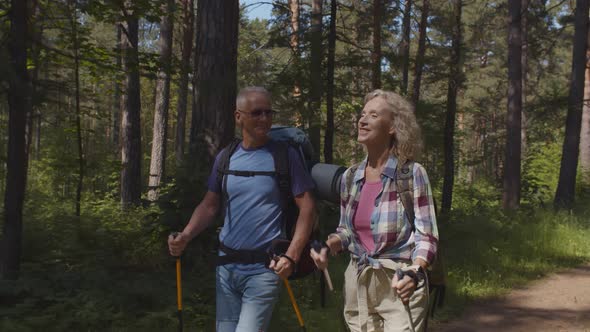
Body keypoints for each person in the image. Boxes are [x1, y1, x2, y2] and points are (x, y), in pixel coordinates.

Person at [168, 86, 316, 332]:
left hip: (264, 269)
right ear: (239, 117)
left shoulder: (285, 155)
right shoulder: (226, 156)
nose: (265, 119)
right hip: (226, 269)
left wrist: (291, 255)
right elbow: (209, 204)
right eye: (257, 113)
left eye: (269, 112)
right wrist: (185, 235)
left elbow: (308, 208)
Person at [311, 89, 438, 332]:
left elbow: (427, 236)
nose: (363, 120)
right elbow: (346, 232)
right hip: (358, 280)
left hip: (400, 284)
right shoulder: (350, 177)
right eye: (362, 114)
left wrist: (415, 272)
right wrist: (328, 246)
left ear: (392, 127)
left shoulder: (411, 174)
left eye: (373, 115)